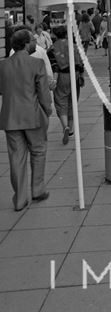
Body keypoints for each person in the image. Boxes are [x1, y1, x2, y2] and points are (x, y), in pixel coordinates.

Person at [0, 29, 52, 211]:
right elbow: (44, 93)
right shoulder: (36, 64)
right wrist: (48, 110)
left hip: (10, 117)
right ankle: (37, 189)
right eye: (32, 40)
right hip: (32, 115)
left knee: (16, 157)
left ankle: (20, 198)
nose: (35, 43)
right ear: (26, 44)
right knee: (38, 151)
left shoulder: (3, 65)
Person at [48, 26, 83, 145]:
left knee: (60, 101)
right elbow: (81, 62)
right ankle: (71, 130)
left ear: (55, 35)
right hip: (75, 75)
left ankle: (65, 126)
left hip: (62, 76)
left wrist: (54, 80)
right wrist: (81, 75)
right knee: (72, 102)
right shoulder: (73, 45)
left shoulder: (52, 48)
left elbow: (55, 66)